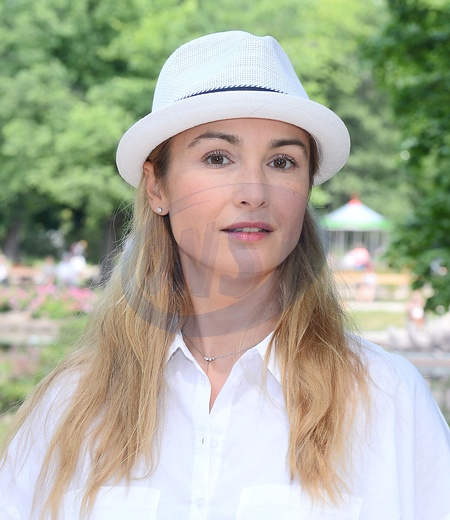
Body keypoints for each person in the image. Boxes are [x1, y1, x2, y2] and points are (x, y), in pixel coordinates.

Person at [1, 31, 449, 520]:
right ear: (157, 187)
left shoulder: (389, 401)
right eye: (218, 157)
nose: (254, 191)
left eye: (282, 162)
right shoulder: (67, 409)